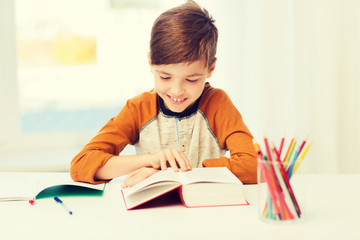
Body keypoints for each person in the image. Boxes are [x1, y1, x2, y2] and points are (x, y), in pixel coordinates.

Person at [70, 0, 257, 187]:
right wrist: (152, 160)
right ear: (150, 62)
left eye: (192, 80)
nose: (176, 91)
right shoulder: (138, 108)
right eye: (165, 77)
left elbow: (255, 167)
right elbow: (81, 165)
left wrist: (170, 174)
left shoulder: (218, 104)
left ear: (211, 68)